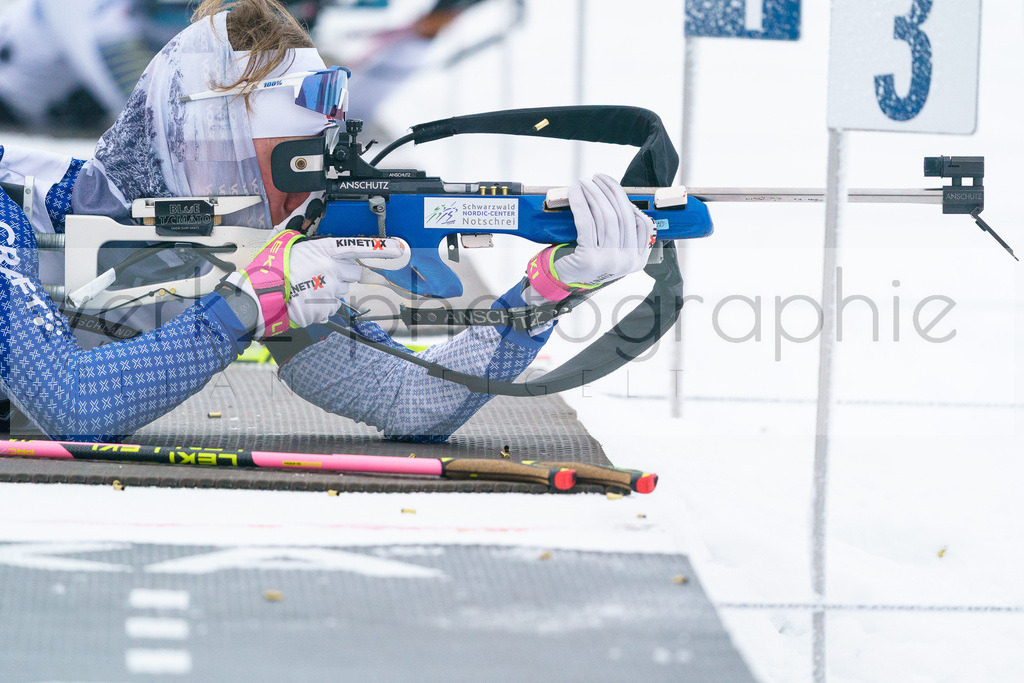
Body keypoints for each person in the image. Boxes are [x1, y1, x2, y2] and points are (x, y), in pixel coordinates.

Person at [0, 0, 654, 444]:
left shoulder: (245, 250)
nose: (308, 193)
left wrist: (547, 292)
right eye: (292, 164)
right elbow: (72, 406)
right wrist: (248, 306)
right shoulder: (9, 210)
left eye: (322, 159)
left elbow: (408, 400)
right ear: (201, 148)